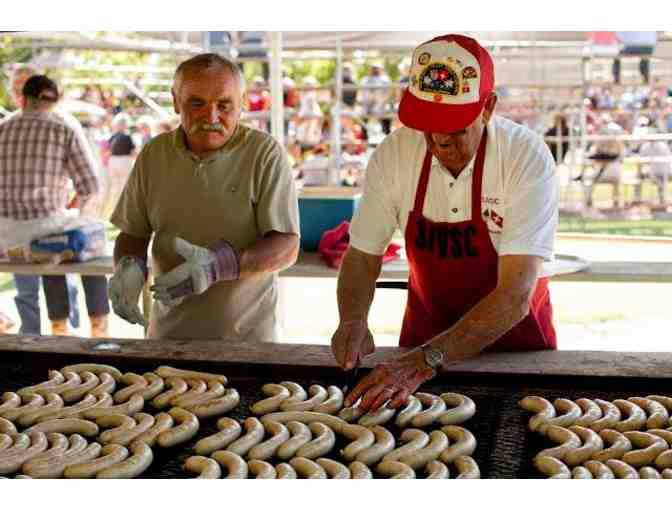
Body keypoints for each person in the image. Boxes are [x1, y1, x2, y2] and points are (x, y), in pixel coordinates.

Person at [331, 34, 559, 411]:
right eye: (427, 125)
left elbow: (515, 294)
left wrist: (426, 361)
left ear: (488, 108)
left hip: (516, 352)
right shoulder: (395, 154)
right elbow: (362, 255)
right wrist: (352, 318)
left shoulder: (524, 157)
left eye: (455, 127)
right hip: (422, 341)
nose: (439, 140)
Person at [109, 53, 300, 341]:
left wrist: (218, 266)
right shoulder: (154, 154)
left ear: (243, 103)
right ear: (176, 101)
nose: (211, 117)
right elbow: (133, 234)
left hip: (247, 340)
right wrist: (128, 267)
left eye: (224, 105)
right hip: (167, 336)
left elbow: (286, 246)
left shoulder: (265, 153)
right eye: (196, 103)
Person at [0, 75, 110, 337]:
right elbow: (90, 187)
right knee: (87, 234)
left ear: (23, 99)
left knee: (53, 237)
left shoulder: (2, 128)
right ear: (56, 101)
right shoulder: (63, 127)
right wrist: (72, 201)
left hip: (4, 237)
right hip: (44, 233)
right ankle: (97, 325)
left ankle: (59, 325)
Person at [360, 62, 392, 135]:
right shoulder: (365, 79)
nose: (375, 70)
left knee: (387, 115)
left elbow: (388, 93)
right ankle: (364, 137)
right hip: (368, 105)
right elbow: (363, 93)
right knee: (363, 117)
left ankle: (387, 134)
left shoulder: (385, 79)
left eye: (377, 68)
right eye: (373, 68)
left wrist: (381, 100)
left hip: (382, 105)